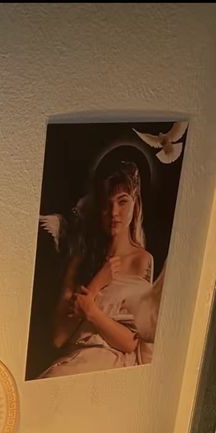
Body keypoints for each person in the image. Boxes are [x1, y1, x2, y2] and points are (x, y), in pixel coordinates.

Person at [39, 159, 158, 378]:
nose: (114, 212)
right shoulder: (82, 258)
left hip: (109, 364)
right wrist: (95, 285)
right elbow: (58, 337)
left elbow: (132, 343)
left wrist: (91, 312)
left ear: (135, 204)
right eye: (107, 204)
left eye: (122, 202)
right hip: (73, 361)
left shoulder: (141, 261)